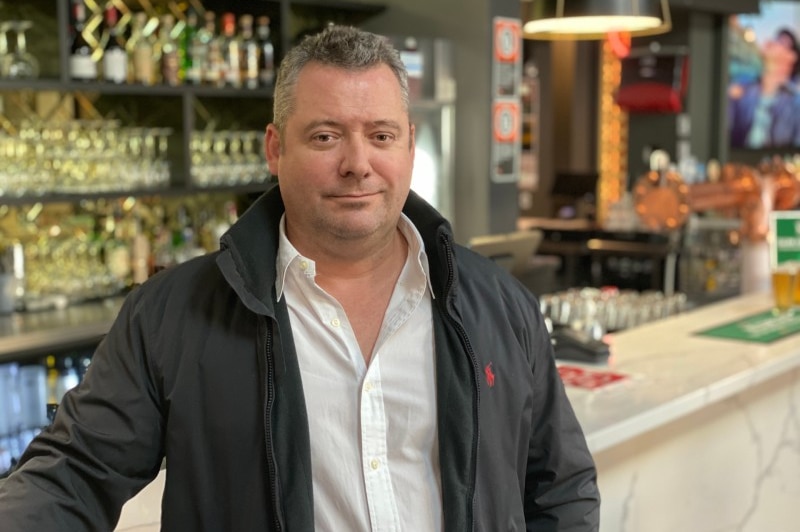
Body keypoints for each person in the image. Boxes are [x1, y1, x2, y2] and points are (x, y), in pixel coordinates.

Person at [0, 25, 600, 530]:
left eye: (381, 136)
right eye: (325, 136)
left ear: (410, 148)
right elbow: (72, 475)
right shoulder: (171, 315)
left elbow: (560, 486)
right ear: (274, 148)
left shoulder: (498, 304)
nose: (357, 164)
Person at [729, 27, 800, 148]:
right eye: (775, 39)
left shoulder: (795, 102)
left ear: (792, 57)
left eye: (782, 42)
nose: (772, 42)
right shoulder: (742, 89)